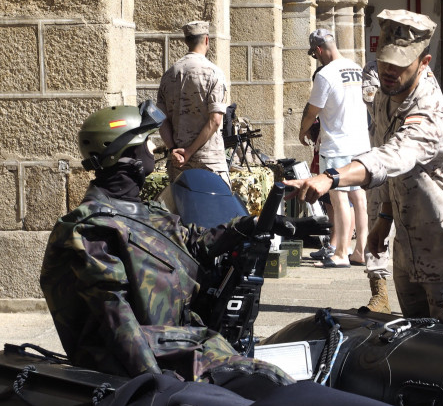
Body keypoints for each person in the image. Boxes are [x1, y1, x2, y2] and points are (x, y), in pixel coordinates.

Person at [39, 102, 294, 387]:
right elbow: (116, 321)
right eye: (146, 144)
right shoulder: (91, 229)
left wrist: (251, 225)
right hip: (157, 361)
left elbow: (194, 243)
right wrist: (156, 386)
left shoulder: (145, 211)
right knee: (268, 384)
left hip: (186, 344)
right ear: (129, 156)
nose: (153, 151)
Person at [286, 9, 443, 329]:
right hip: (407, 246)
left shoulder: (431, 114)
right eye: (384, 62)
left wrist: (331, 177)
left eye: (399, 65)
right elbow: (389, 165)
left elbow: (392, 157)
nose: (388, 72)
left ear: (423, 64)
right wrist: (383, 218)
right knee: (417, 351)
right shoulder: (381, 89)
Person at [359, 59, 441, 313]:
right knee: (377, 223)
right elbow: (377, 107)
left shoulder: (425, 73)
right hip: (382, 161)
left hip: (414, 166)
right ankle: (379, 291)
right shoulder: (373, 71)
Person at [299, 28, 369, 268]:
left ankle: (341, 252)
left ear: (318, 50)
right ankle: (361, 250)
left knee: (339, 198)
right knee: (359, 196)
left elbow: (312, 110)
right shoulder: (357, 68)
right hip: (361, 142)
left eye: (314, 54)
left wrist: (302, 130)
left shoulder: (325, 74)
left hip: (337, 142)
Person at [157, 20, 230, 185]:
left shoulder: (169, 75)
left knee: (182, 208)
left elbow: (160, 119)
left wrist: (172, 150)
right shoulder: (214, 73)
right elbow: (215, 120)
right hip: (209, 160)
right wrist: (189, 151)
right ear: (206, 40)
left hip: (179, 162)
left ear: (186, 42)